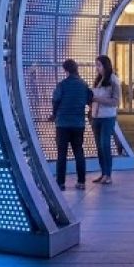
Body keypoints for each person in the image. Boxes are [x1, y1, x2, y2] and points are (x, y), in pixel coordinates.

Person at [52, 59, 93, 191]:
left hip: (62, 124)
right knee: (79, 152)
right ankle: (81, 182)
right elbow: (89, 100)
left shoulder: (62, 85)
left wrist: (54, 114)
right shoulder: (83, 85)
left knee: (61, 154)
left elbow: (56, 100)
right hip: (78, 123)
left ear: (66, 70)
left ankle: (60, 183)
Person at [91, 54, 121, 185]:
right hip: (95, 116)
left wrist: (98, 99)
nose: (97, 68)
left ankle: (108, 174)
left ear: (105, 65)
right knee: (99, 146)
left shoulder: (113, 80)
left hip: (107, 117)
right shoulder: (98, 80)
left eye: (99, 65)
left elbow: (115, 101)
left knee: (105, 145)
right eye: (96, 65)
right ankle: (103, 173)